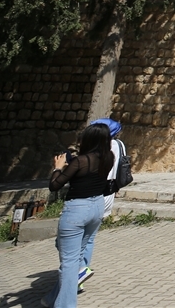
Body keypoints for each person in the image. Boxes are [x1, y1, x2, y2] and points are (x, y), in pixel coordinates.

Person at [43, 122, 115, 308]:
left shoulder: (80, 161)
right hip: (97, 207)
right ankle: (53, 298)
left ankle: (66, 304)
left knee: (68, 262)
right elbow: (87, 176)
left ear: (88, 140)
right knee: (75, 256)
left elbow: (54, 186)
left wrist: (58, 167)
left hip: (77, 209)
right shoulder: (109, 157)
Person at [77, 118, 124, 290]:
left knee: (76, 238)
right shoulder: (119, 145)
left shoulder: (99, 147)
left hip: (93, 194)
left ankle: (78, 272)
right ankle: (81, 272)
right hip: (109, 193)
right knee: (89, 238)